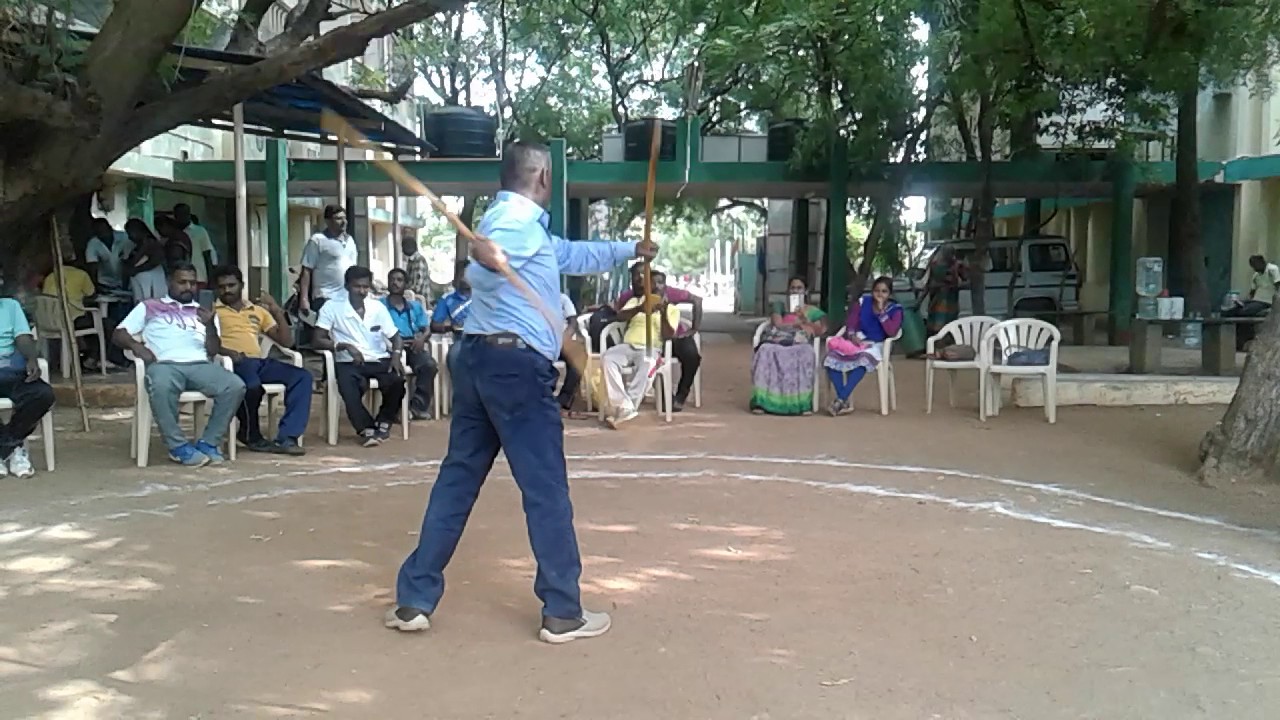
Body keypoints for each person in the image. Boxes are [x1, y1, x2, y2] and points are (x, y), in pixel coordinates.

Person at [388, 141, 657, 643]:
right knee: (545, 489)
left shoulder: (529, 229)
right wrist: (484, 257)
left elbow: (571, 254)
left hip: (480, 360)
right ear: (544, 178)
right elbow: (488, 255)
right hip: (514, 368)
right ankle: (563, 611)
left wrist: (629, 251)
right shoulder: (512, 220)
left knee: (458, 480)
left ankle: (414, 600)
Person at [113, 262, 246, 467]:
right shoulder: (149, 306)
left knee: (235, 386)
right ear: (169, 282)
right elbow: (119, 333)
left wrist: (210, 325)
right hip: (164, 364)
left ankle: (208, 443)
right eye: (182, 282)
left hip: (200, 365)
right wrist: (136, 346)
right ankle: (178, 447)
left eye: (192, 283)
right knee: (161, 386)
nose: (188, 287)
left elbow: (213, 350)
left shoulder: (204, 312)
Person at [212, 266, 310, 456]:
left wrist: (277, 311)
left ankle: (287, 437)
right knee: (252, 386)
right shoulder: (212, 311)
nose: (227, 290)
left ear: (241, 285)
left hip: (258, 362)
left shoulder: (257, 311)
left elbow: (286, 342)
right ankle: (251, 435)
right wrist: (228, 352)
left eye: (231, 285)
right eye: (222, 287)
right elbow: (207, 342)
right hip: (231, 362)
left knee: (302, 377)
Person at [313, 266, 406, 447]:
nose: (362, 291)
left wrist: (396, 355)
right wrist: (343, 346)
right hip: (348, 361)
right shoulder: (332, 307)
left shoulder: (377, 307)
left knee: (397, 380)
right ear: (347, 286)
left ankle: (384, 420)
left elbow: (396, 337)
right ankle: (366, 428)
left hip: (377, 358)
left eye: (365, 287)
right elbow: (317, 340)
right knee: (348, 387)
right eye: (357, 286)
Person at [614, 263, 703, 411]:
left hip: (673, 336)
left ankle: (681, 394)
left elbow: (697, 300)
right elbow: (620, 316)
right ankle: (664, 396)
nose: (638, 279)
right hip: (646, 340)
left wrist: (694, 328)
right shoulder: (628, 297)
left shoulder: (668, 292)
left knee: (691, 355)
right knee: (648, 355)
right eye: (635, 276)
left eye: (642, 275)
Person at [602, 270, 681, 427]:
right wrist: (639, 309)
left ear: (665, 286)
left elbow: (668, 336)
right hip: (627, 346)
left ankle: (627, 408)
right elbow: (620, 317)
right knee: (608, 358)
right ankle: (625, 407)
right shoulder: (636, 301)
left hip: (650, 349)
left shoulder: (672, 309)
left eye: (660, 282)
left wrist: (663, 313)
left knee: (648, 363)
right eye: (652, 282)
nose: (656, 286)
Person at [824, 276, 903, 416]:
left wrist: (882, 313)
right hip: (857, 342)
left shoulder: (895, 310)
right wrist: (852, 335)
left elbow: (892, 331)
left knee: (863, 361)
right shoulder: (863, 302)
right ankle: (843, 399)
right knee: (831, 358)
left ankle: (840, 400)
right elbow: (851, 323)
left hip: (877, 345)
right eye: (877, 291)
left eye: (884, 291)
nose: (880, 294)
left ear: (889, 294)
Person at [750, 276, 827, 415]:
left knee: (805, 352)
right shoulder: (779, 306)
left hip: (800, 342)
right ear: (788, 291)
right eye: (793, 288)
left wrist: (805, 320)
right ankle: (762, 402)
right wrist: (796, 323)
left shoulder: (812, 310)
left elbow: (821, 330)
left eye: (799, 288)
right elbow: (778, 324)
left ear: (805, 291)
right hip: (778, 339)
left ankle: (801, 404)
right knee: (765, 350)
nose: (795, 291)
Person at [0, 296, 55, 478]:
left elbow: (23, 337)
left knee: (42, 394)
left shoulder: (11, 306)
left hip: (11, 370)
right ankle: (12, 447)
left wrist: (31, 358)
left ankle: (7, 446)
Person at [383, 268, 438, 421]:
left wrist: (422, 339)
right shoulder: (380, 305)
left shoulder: (415, 306)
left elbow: (427, 329)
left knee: (429, 365)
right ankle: (393, 410)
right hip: (389, 345)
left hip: (412, 343)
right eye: (392, 279)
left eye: (399, 280)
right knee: (392, 370)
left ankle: (417, 408)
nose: (395, 283)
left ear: (406, 284)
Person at [40, 247, 99, 370]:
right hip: (71, 320)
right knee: (103, 324)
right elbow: (91, 295)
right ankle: (91, 359)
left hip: (50, 321)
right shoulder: (81, 274)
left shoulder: (51, 276)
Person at [298, 205, 358, 319]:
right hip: (325, 298)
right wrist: (304, 299)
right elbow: (306, 271)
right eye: (338, 218)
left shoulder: (350, 240)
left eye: (344, 218)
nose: (343, 222)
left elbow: (353, 270)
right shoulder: (318, 240)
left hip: (346, 299)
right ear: (328, 221)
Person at [1226, 254, 1279, 350]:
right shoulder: (1256, 275)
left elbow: (1278, 285)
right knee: (1232, 310)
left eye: (1255, 265)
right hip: (1256, 300)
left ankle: (1244, 339)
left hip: (1267, 301)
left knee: (1245, 312)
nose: (1254, 268)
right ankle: (1235, 340)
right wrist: (1243, 302)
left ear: (1262, 262)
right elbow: (1252, 292)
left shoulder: (1272, 269)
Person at [430, 259, 472, 375]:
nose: (467, 278)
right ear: (457, 277)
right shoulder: (448, 298)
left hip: (484, 338)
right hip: (462, 339)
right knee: (454, 355)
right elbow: (435, 325)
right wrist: (451, 326)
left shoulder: (484, 296)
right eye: (463, 275)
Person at [84, 218, 133, 296]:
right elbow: (92, 265)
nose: (102, 233)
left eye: (104, 230)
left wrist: (125, 286)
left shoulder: (124, 237)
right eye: (99, 232)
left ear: (110, 228)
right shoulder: (92, 243)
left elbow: (128, 262)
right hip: (105, 283)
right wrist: (95, 286)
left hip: (127, 282)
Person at [124, 218, 168, 304]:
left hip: (152, 281)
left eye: (130, 233)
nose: (129, 237)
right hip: (142, 282)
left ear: (138, 231)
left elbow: (156, 261)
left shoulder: (152, 243)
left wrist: (136, 270)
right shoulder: (138, 245)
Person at [557, 291, 586, 419]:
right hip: (539, 341)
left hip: (561, 341)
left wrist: (563, 339)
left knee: (579, 356)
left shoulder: (562, 298)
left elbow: (573, 323)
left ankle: (563, 400)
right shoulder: (531, 296)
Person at [923, 244, 964, 336]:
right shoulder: (934, 265)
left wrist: (954, 285)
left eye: (950, 253)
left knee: (950, 329)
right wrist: (919, 302)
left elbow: (966, 281)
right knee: (935, 329)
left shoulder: (957, 266)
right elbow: (928, 284)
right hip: (936, 302)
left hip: (950, 302)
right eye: (946, 252)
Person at [174, 203, 218, 287]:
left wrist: (211, 279)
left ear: (188, 214)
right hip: (180, 278)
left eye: (183, 214)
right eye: (178, 215)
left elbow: (207, 255)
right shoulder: (174, 232)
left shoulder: (200, 231)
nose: (180, 217)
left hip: (199, 277)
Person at [402, 234, 432, 302]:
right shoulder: (411, 260)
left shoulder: (418, 260)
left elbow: (417, 287)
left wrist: (402, 291)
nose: (402, 250)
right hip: (415, 298)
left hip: (420, 300)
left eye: (403, 247)